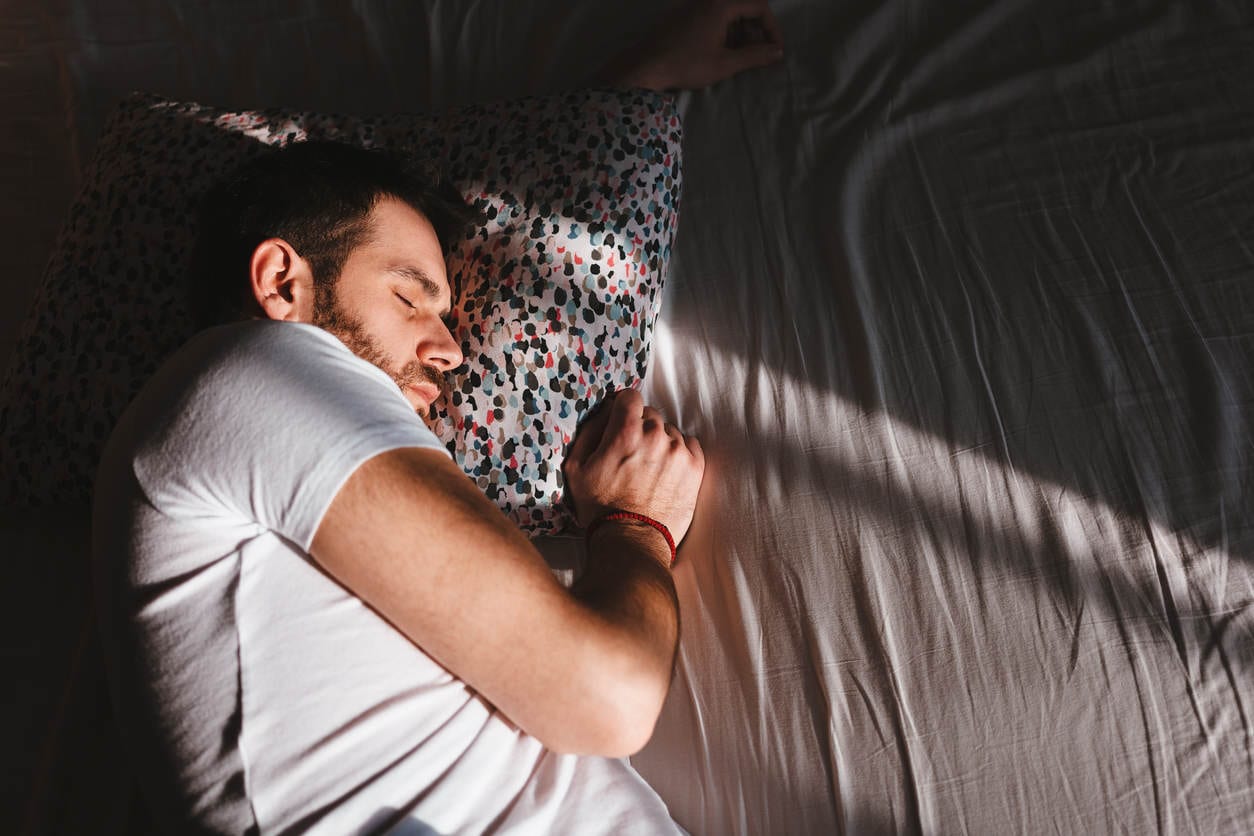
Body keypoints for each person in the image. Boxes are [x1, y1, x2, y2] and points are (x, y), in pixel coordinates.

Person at [92, 3, 782, 833]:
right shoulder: (248, 371)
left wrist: (631, 92)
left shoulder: (242, 421)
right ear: (283, 283)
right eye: (410, 296)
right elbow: (608, 696)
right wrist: (636, 526)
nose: (449, 349)